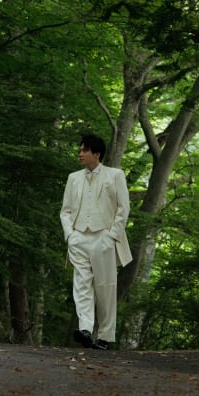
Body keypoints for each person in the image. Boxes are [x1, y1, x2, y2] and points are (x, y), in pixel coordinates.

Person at [59, 134, 132, 350]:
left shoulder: (115, 175)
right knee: (81, 285)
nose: (80, 153)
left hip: (104, 237)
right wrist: (70, 236)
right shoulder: (73, 178)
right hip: (79, 236)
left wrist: (111, 236)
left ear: (96, 154)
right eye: (80, 149)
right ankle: (85, 329)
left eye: (84, 150)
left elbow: (123, 208)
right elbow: (65, 211)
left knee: (105, 287)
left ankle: (106, 337)